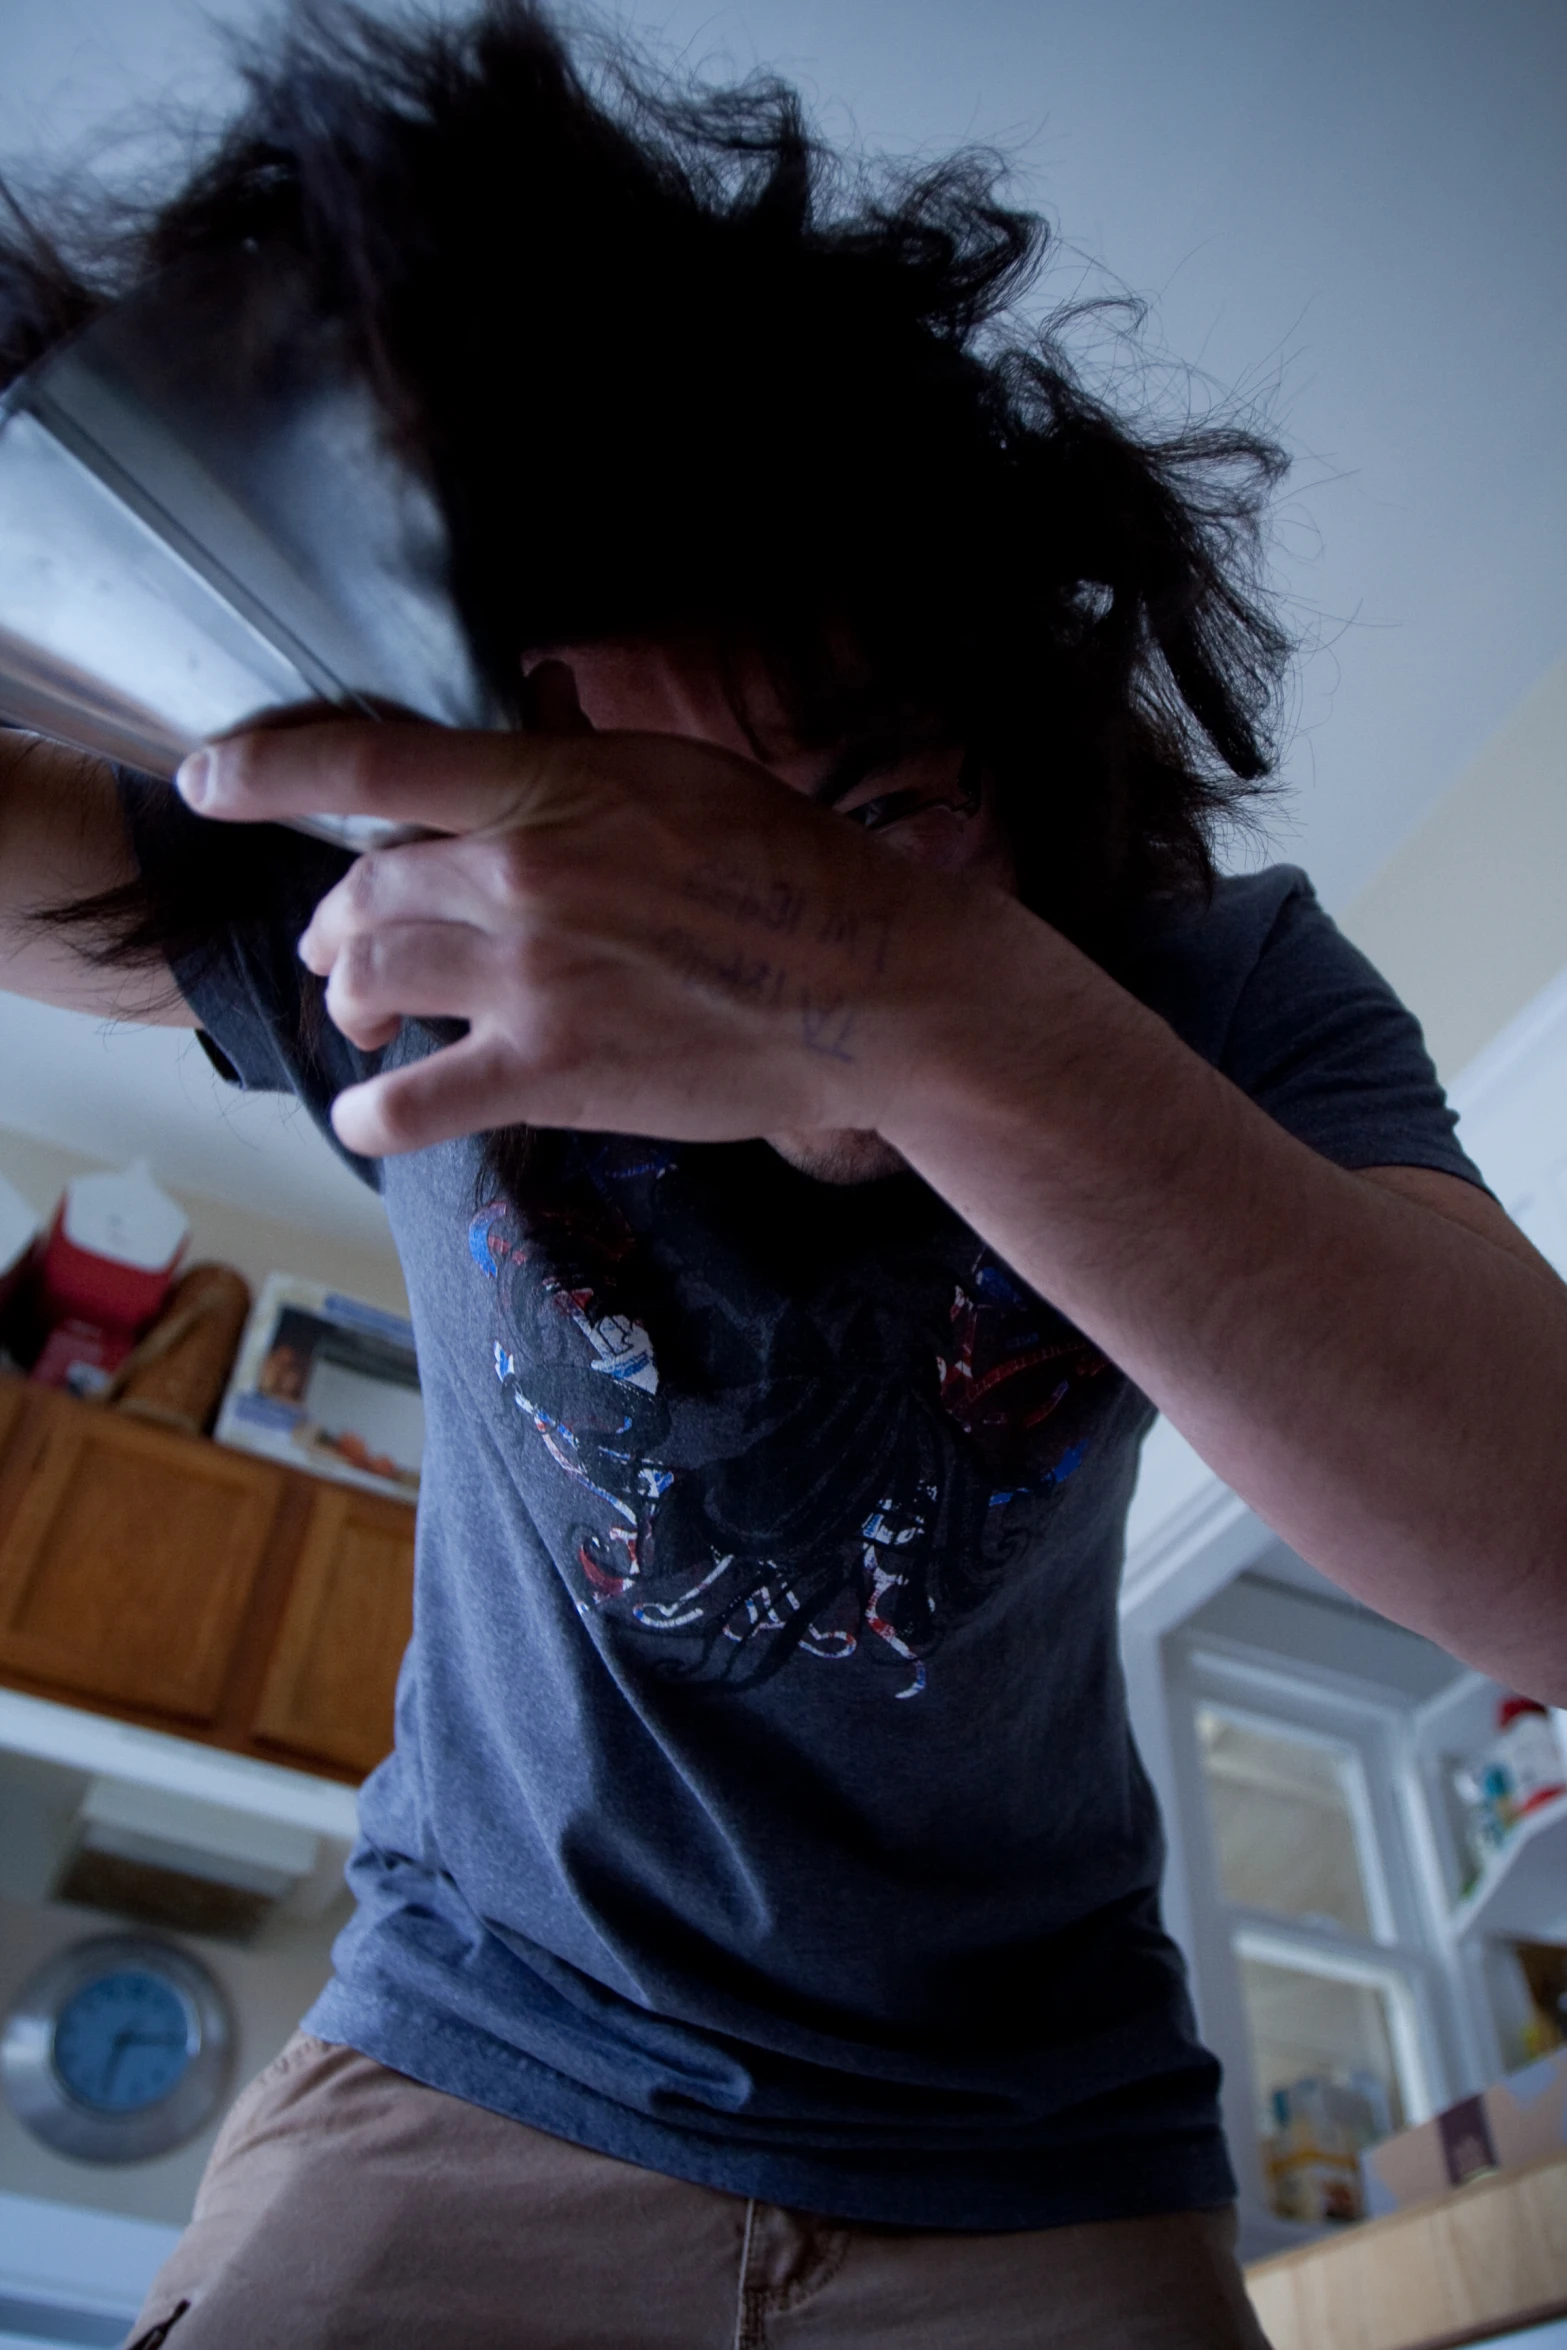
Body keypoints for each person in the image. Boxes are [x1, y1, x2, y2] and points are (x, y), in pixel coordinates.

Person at [2, 6, 1564, 2343]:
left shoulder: (1222, 991)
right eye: (652, 872)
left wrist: (891, 984)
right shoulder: (432, 924)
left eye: (856, 817)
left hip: (1035, 2149)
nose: (719, 969)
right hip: (470, 2056)